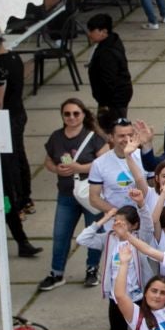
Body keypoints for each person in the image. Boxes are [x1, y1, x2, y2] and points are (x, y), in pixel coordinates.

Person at [40, 98, 106, 291]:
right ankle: (56, 272)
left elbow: (104, 162)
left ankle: (92, 269)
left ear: (83, 115)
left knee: (93, 232)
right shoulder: (56, 137)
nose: (71, 117)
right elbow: (48, 162)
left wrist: (79, 167)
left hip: (90, 194)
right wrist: (57, 169)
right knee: (60, 235)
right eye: (67, 114)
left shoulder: (93, 137)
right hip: (66, 194)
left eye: (76, 113)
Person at [86, 13, 132, 124]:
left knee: (111, 129)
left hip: (113, 101)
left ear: (104, 32)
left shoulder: (107, 54)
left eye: (93, 30)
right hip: (116, 98)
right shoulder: (112, 41)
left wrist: (104, 102)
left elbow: (109, 80)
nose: (89, 34)